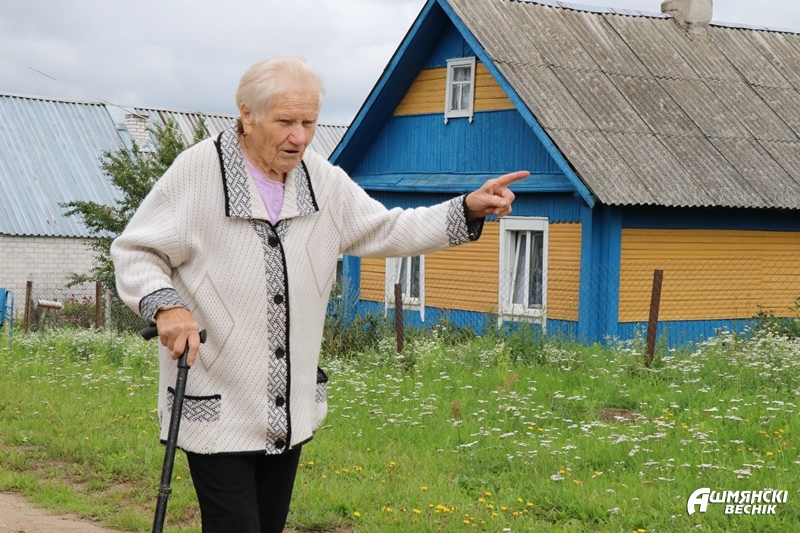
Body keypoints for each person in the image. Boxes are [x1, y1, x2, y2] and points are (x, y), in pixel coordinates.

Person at [110, 56, 528, 533]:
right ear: (247, 114)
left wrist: (467, 209)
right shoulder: (197, 172)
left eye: (308, 122)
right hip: (216, 400)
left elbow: (387, 228)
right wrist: (166, 307)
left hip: (286, 408)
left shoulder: (322, 180)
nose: (300, 137)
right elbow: (135, 251)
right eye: (286, 122)